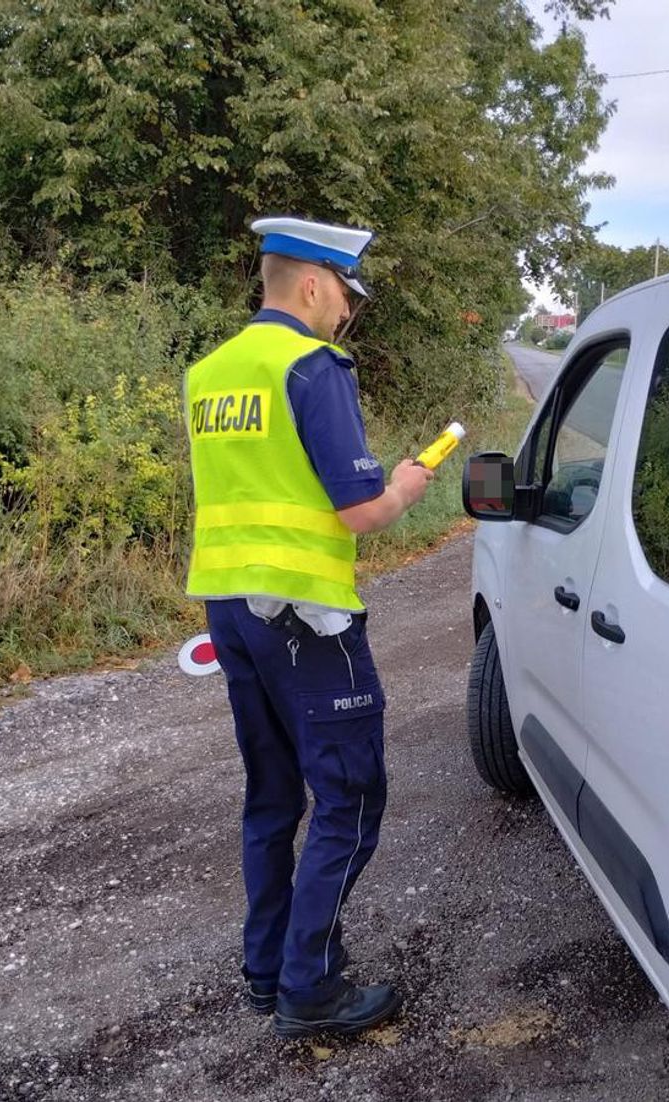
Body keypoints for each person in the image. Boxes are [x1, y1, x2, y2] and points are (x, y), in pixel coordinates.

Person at [183, 216, 434, 1038]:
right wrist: (405, 485)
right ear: (316, 284)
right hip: (307, 619)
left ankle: (266, 971)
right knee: (351, 796)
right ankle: (310, 988)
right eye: (345, 301)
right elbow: (360, 509)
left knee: (272, 797)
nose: (345, 317)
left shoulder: (210, 373)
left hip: (231, 607)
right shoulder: (310, 366)